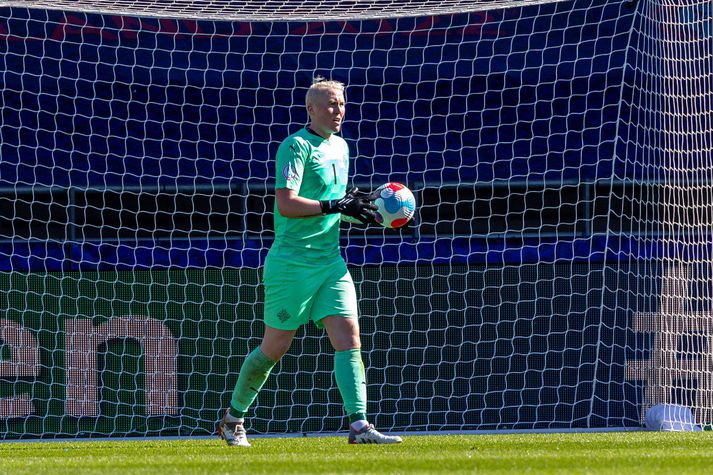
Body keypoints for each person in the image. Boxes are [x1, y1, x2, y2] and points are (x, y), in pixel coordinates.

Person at [217, 77, 403, 446]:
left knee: (348, 336)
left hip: (330, 262)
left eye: (342, 103)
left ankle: (359, 426)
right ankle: (232, 420)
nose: (339, 111)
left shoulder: (343, 147)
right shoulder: (295, 146)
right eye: (331, 104)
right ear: (312, 109)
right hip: (291, 264)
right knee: (275, 347)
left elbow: (332, 204)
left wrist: (361, 212)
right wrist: (336, 205)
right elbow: (287, 204)